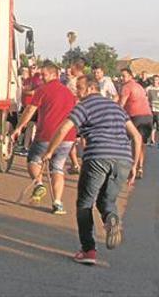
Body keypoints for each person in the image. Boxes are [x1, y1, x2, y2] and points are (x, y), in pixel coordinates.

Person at [41, 74, 141, 265]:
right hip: (123, 159)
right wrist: (135, 166)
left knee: (85, 203)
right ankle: (111, 218)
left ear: (90, 89)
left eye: (79, 88)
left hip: (98, 156)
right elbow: (136, 136)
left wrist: (49, 151)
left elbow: (64, 129)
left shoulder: (84, 106)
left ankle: (89, 251)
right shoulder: (117, 108)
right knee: (107, 201)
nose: (76, 92)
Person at [10, 61, 77, 214]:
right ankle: (58, 202)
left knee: (33, 160)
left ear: (54, 75)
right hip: (67, 137)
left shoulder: (42, 90)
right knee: (58, 168)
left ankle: (39, 184)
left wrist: (19, 127)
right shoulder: (68, 93)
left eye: (44, 75)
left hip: (46, 134)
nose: (42, 78)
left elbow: (29, 111)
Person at [118, 67, 152, 178]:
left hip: (135, 116)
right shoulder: (139, 86)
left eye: (124, 76)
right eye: (121, 76)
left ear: (130, 76)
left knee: (128, 142)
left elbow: (121, 105)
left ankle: (131, 166)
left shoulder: (127, 86)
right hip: (147, 117)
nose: (122, 78)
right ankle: (139, 167)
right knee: (141, 143)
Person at [146, 75, 159, 145]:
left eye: (157, 80)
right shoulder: (149, 88)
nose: (155, 81)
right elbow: (146, 98)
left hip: (158, 110)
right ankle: (152, 140)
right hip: (151, 109)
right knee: (152, 125)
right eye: (154, 80)